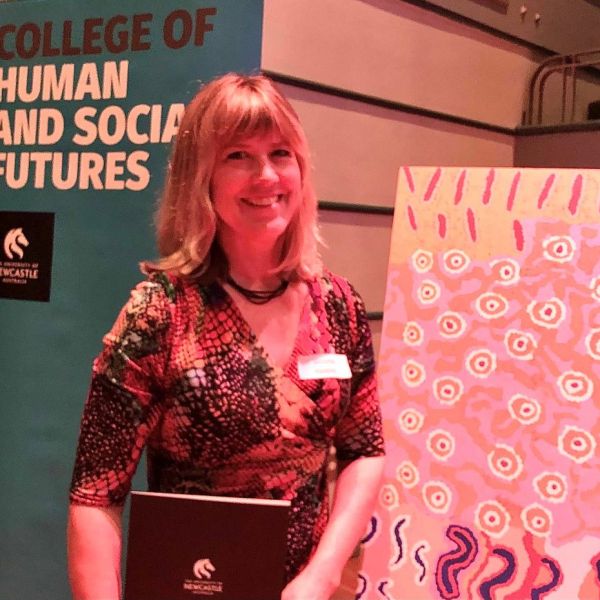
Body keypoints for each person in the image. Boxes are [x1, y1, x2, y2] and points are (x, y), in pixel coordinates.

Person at [67, 73, 385, 600]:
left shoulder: (339, 304)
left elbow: (366, 450)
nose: (266, 175)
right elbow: (95, 494)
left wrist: (323, 574)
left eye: (280, 153)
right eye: (238, 155)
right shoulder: (158, 313)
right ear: (202, 178)